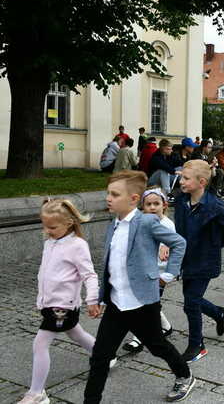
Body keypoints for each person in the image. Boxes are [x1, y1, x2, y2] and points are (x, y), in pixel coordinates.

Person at [84, 170, 194, 403]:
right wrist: (101, 297)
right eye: (108, 193)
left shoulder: (146, 221)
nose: (108, 198)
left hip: (142, 302)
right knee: (100, 356)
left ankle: (184, 375)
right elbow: (111, 264)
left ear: (134, 199)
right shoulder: (113, 224)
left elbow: (179, 242)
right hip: (116, 304)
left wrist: (169, 274)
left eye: (115, 194)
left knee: (157, 345)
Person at [18, 200, 115, 404]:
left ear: (69, 223)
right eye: (44, 225)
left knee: (40, 344)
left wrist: (92, 300)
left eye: (52, 227)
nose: (47, 230)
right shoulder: (50, 242)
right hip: (49, 304)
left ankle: (37, 394)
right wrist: (41, 300)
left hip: (62, 307)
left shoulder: (77, 245)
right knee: (76, 333)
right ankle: (105, 357)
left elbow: (89, 275)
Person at [174, 160, 224, 363]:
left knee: (191, 302)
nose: (181, 181)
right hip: (187, 260)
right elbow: (179, 231)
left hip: (204, 261)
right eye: (182, 177)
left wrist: (213, 245)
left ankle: (197, 345)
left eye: (186, 178)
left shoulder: (214, 206)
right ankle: (220, 314)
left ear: (201, 182)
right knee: (190, 302)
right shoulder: (181, 201)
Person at [121, 188, 175, 353]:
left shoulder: (167, 224)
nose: (152, 207)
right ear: (142, 207)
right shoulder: (140, 222)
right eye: (148, 204)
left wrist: (165, 246)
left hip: (159, 273)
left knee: (145, 305)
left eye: (156, 204)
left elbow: (173, 242)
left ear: (164, 205)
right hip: (143, 270)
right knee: (150, 303)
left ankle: (139, 339)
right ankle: (166, 326)